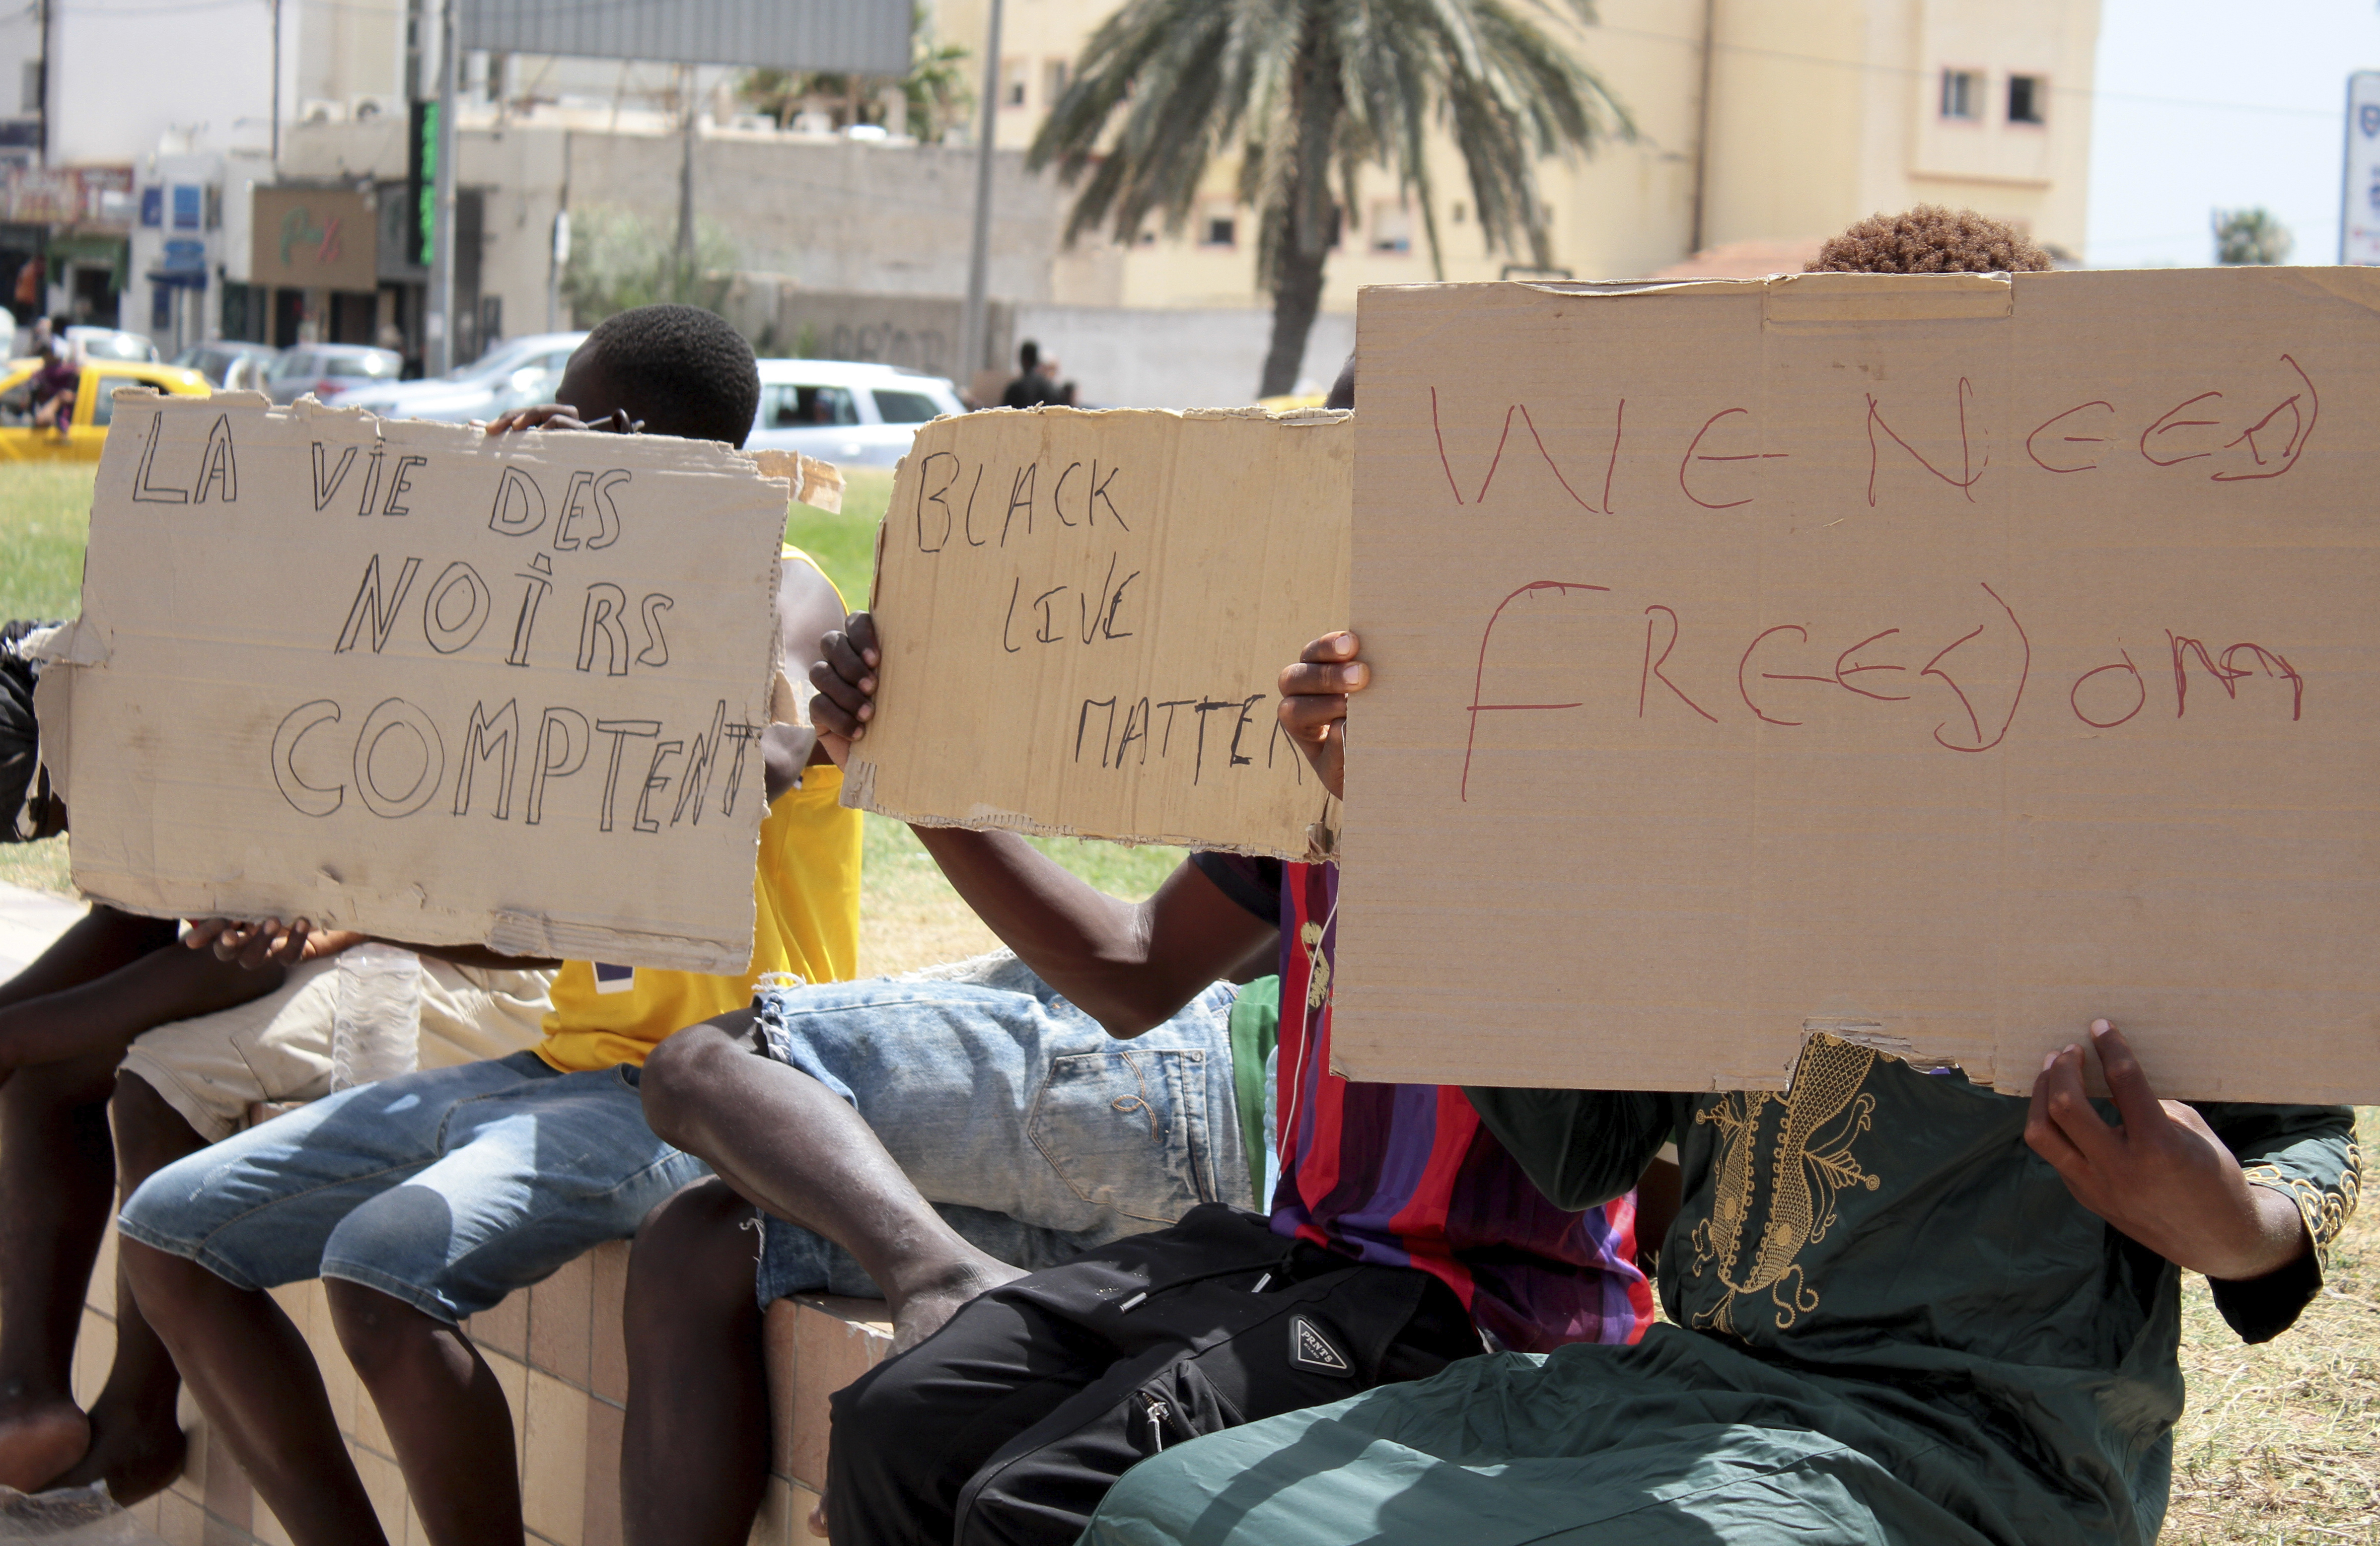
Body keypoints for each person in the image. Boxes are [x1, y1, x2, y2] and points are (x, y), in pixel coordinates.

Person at [1074, 208, 2367, 1546]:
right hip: (1699, 1395)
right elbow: (1584, 1145)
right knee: (1165, 1513)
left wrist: (2227, 1223)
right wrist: (1417, 822)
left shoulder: (2157, 780)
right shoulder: (1727, 753)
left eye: (1938, 439)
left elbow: (2294, 1166)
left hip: (1983, 1450)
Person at [769, 358, 1654, 1546]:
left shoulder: (1583, 767)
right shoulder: (1310, 764)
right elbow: (1132, 967)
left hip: (1478, 1304)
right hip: (1302, 1250)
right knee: (900, 1416)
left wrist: (1419, 829)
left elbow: (1604, 1144)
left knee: (1029, 1502)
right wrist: (908, 767)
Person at [115, 304, 864, 1546]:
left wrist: (581, 559)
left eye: (574, 418)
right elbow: (532, 926)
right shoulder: (559, 634)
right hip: (565, 1063)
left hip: (718, 1081)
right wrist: (334, 903)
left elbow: (766, 749)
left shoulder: (781, 583)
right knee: (171, 1232)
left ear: (629, 436)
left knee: (380, 1264)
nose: (544, 439)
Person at [0, 618, 554, 1503]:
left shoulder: (233, 712)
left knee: (160, 1081)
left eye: (62, 821)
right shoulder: (158, 696)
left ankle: (140, 1410)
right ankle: (25, 1399)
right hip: (348, 928)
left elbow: (241, 954)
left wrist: (20, 1032)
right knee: (45, 1075)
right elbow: (143, 922)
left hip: (472, 960)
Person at [1001, 340, 1056, 410]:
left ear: (1023, 359)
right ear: (1037, 359)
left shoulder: (1015, 388)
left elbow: (1003, 415)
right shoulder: (1050, 387)